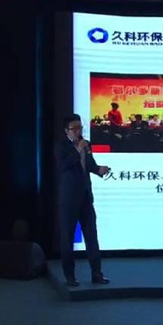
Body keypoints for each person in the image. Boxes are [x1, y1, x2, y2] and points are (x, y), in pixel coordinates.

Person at [55, 114, 111, 286]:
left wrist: (99, 170)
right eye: (75, 128)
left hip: (86, 197)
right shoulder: (61, 146)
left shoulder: (86, 144)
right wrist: (78, 150)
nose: (79, 131)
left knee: (92, 236)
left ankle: (97, 274)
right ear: (67, 131)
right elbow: (63, 166)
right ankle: (70, 276)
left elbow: (89, 165)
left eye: (80, 127)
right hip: (69, 199)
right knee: (67, 239)